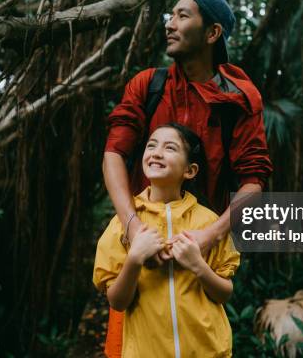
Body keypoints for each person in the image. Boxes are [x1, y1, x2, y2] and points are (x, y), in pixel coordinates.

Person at [102, 0, 273, 356]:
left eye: (182, 16)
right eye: (171, 15)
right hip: (142, 252)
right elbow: (114, 153)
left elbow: (253, 180)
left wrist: (209, 236)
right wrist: (132, 228)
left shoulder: (240, 98)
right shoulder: (149, 85)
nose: (170, 24)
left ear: (212, 33)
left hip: (198, 255)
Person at [94, 123, 240, 357]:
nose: (156, 152)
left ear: (190, 170)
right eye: (151, 145)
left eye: (170, 148)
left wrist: (198, 265)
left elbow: (224, 294)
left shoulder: (209, 223)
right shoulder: (123, 224)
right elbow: (117, 302)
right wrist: (134, 259)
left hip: (208, 351)